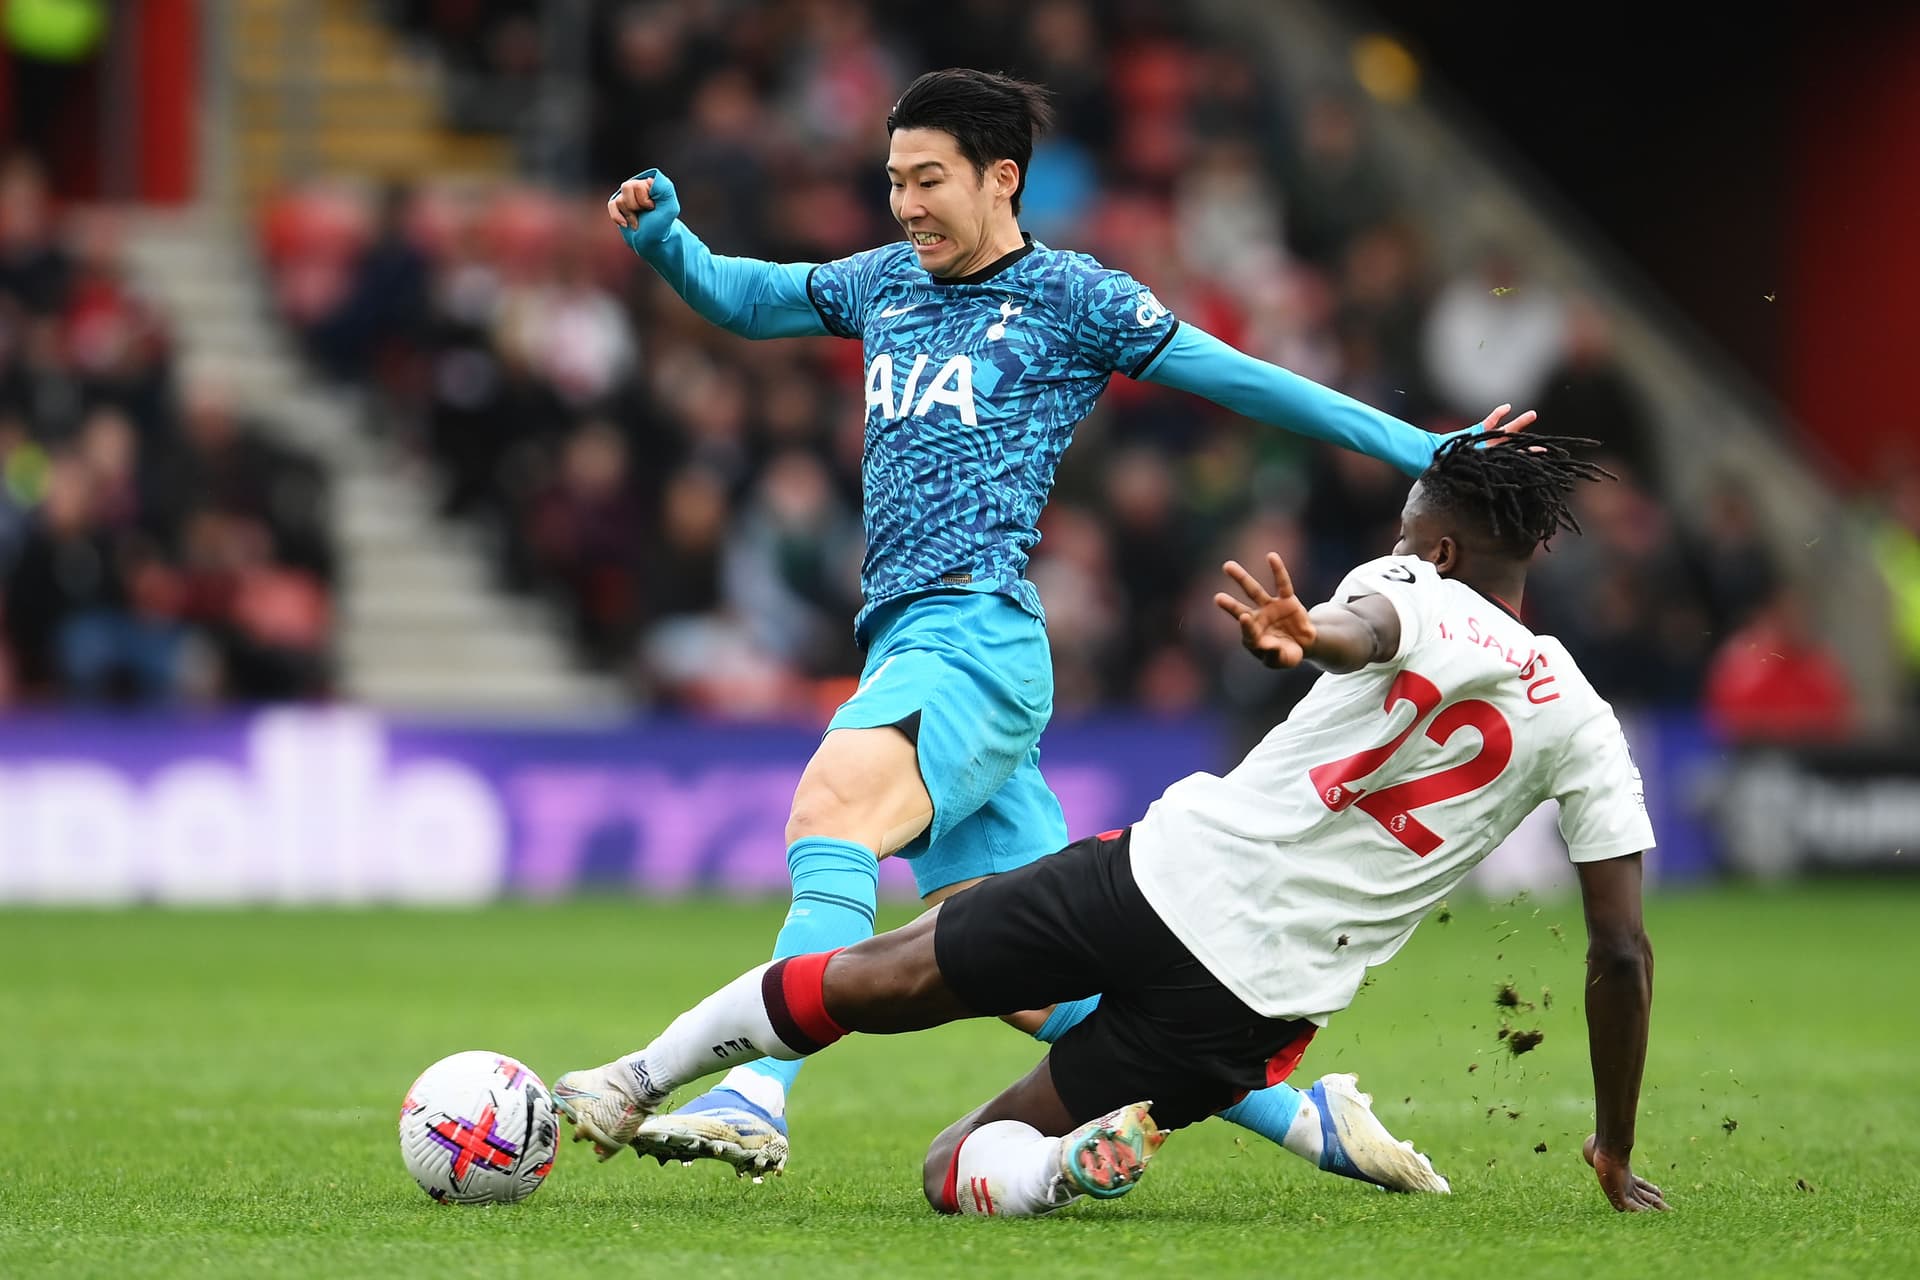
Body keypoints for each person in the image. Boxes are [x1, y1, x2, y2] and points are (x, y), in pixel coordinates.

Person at [591, 67, 1534, 1183]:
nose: (905, 206)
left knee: (834, 807)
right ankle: (1303, 1116)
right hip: (909, 640)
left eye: (927, 179)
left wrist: (1425, 451)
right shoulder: (886, 280)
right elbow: (749, 299)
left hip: (977, 635)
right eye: (893, 181)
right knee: (1030, 978)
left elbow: (1250, 382)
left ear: (1003, 178)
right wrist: (667, 242)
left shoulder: (1075, 299)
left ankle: (759, 1090)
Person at [554, 435, 1665, 1217]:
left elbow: (1369, 626)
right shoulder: (1588, 725)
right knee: (960, 1167)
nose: (1401, 540)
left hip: (1162, 881)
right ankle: (1058, 1167)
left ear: (1446, 550)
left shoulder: (1409, 581)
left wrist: (1304, 631)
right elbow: (1620, 948)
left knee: (870, 975)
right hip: (1253, 1007)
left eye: (1412, 526)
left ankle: (635, 1079)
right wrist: (1612, 1137)